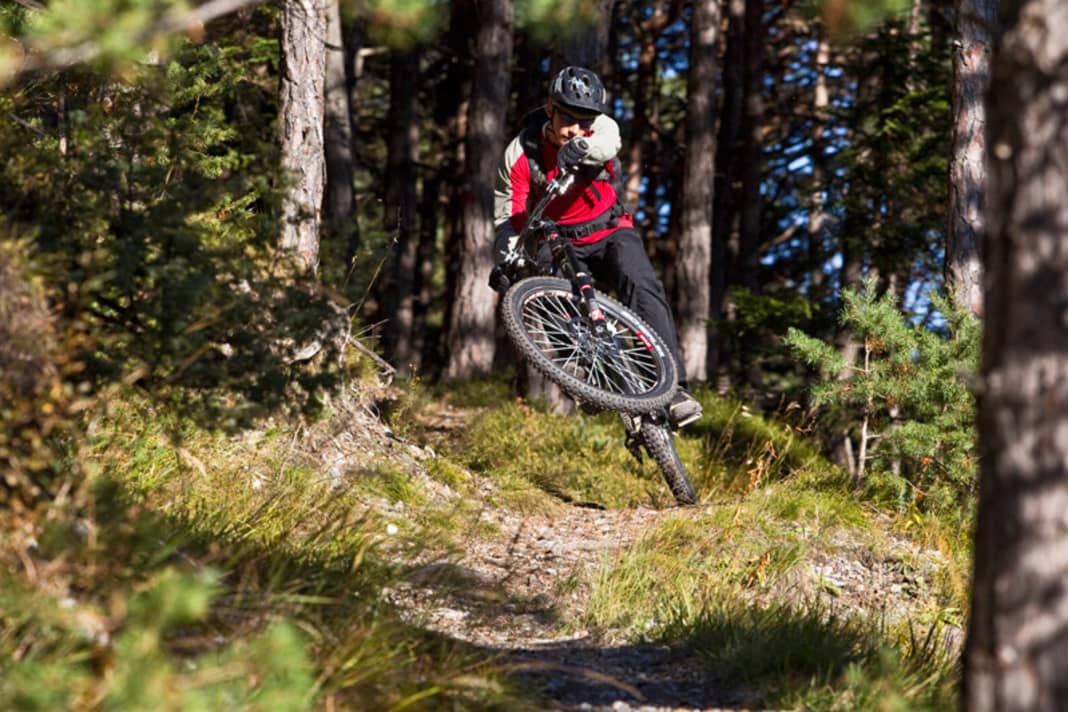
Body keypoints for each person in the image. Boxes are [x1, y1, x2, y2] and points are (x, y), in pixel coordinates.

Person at [492, 65, 702, 427]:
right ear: (549, 109)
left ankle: (675, 389)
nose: (574, 127)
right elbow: (508, 213)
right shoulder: (521, 152)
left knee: (642, 285)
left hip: (609, 230)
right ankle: (586, 376)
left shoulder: (599, 129)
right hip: (558, 239)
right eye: (567, 118)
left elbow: (609, 141)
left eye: (583, 119)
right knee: (541, 287)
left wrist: (584, 146)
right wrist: (508, 257)